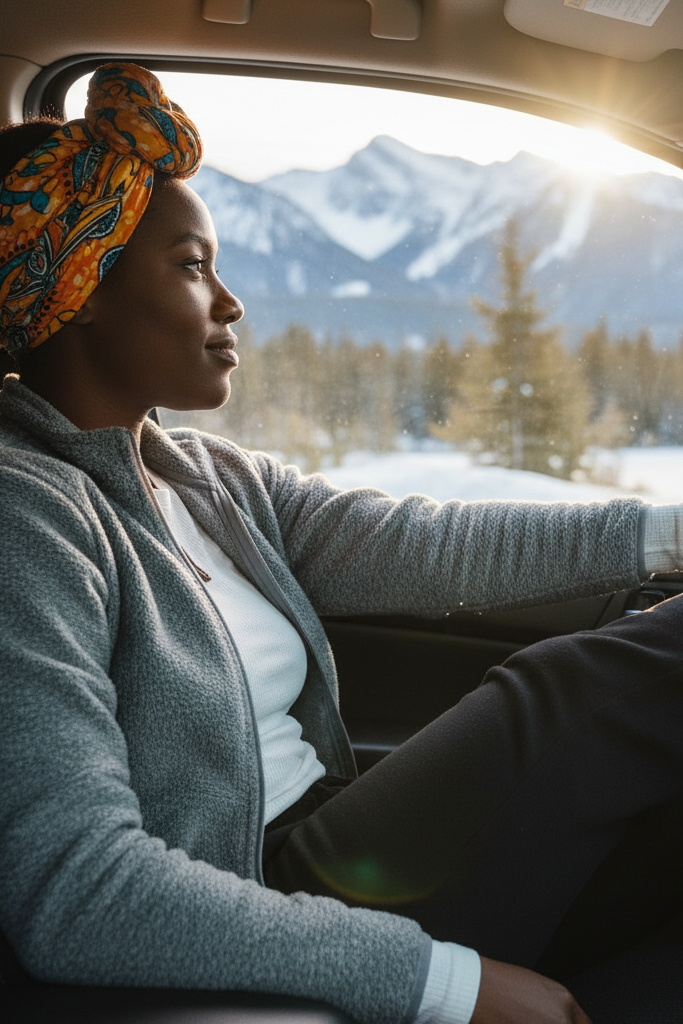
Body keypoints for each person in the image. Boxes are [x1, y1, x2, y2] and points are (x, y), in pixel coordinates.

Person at [1, 63, 683, 1024]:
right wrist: (440, 982)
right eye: (193, 267)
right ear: (80, 288)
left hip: (341, 846)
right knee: (583, 685)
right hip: (265, 892)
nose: (230, 302)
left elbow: (425, 544)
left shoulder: (211, 475)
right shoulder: (25, 517)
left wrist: (664, 533)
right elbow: (76, 888)